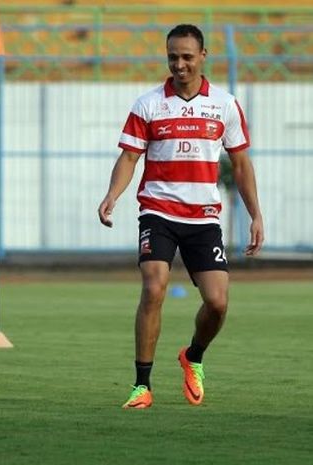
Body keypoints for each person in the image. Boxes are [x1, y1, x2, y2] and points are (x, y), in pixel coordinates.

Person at [97, 24, 264, 409]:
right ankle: (142, 386)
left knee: (218, 302)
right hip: (158, 211)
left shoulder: (224, 104)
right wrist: (113, 195)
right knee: (154, 287)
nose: (180, 64)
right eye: (173, 56)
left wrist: (255, 214)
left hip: (204, 218)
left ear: (203, 56)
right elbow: (129, 157)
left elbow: (240, 164)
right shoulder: (148, 104)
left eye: (187, 56)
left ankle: (193, 356)